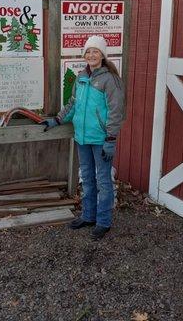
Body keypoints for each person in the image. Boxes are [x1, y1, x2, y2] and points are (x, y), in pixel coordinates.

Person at [42, 35, 124, 240]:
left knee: (103, 180)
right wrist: (57, 120)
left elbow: (116, 112)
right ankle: (88, 216)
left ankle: (103, 221)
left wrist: (111, 140)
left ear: (102, 55)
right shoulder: (80, 77)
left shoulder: (110, 79)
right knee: (86, 177)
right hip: (82, 138)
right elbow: (72, 104)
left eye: (95, 51)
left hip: (101, 139)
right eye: (88, 51)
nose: (91, 55)